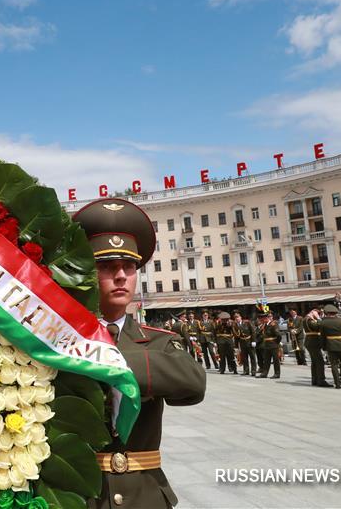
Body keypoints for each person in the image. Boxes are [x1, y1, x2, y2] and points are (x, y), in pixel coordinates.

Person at [74, 199, 206, 509]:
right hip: (79, 495)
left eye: (129, 267)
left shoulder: (159, 340)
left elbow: (192, 382)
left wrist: (100, 359)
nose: (121, 275)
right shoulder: (62, 340)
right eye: (106, 266)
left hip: (145, 495)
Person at [319, 304, 341, 390]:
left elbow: (322, 337)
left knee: (334, 365)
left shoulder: (323, 323)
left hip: (331, 346)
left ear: (327, 313)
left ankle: (337, 384)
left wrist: (323, 347)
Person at [302, 308, 329, 387]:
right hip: (313, 342)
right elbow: (318, 326)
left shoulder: (307, 319)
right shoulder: (309, 319)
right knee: (320, 361)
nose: (318, 314)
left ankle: (315, 379)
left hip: (311, 342)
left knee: (314, 362)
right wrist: (318, 318)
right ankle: (321, 380)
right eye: (317, 313)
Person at [256, 311, 281, 379]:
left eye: (262, 319)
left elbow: (278, 335)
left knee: (275, 360)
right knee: (266, 360)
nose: (261, 321)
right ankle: (264, 373)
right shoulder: (265, 325)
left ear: (266, 318)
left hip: (273, 345)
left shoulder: (273, 324)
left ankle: (277, 373)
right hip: (266, 345)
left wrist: (276, 343)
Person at [233, 311, 256, 376]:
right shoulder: (235, 326)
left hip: (249, 342)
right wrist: (236, 346)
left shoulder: (247, 322)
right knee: (244, 358)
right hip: (242, 343)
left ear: (241, 317)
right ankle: (246, 370)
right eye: (235, 317)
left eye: (238, 317)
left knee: (252, 357)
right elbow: (236, 337)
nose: (237, 318)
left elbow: (253, 331)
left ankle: (253, 371)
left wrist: (253, 341)